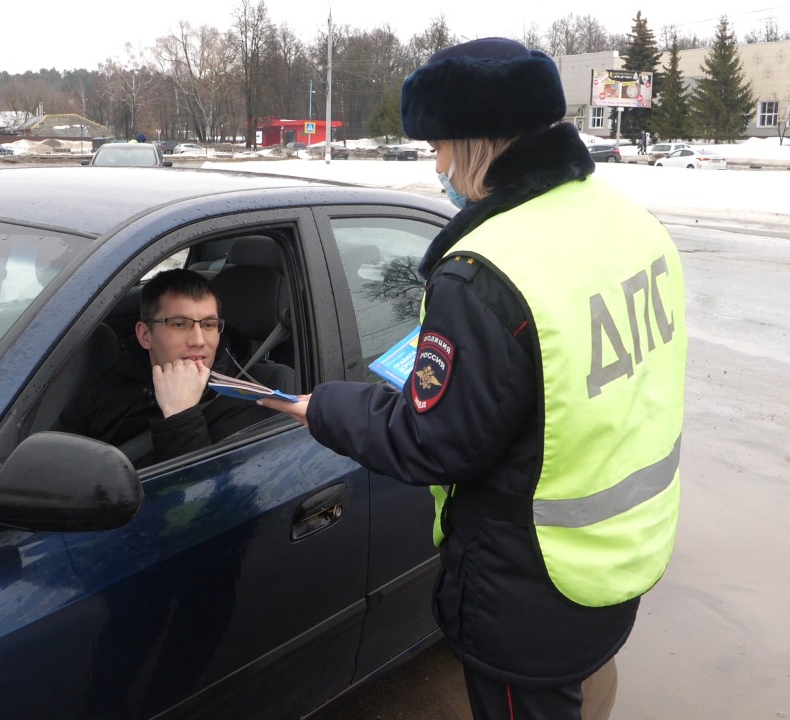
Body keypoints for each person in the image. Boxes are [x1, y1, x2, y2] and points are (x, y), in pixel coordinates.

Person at [260, 38, 687, 720]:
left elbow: (434, 444)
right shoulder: (625, 221)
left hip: (530, 584)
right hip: (621, 553)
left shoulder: (484, 271)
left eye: (438, 147)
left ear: (474, 144)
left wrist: (325, 407)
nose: (436, 166)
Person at [58, 268, 274, 467]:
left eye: (208, 325)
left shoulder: (243, 401)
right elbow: (58, 460)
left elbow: (203, 497)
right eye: (179, 324)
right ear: (145, 335)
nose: (198, 340)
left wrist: (181, 415)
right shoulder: (105, 387)